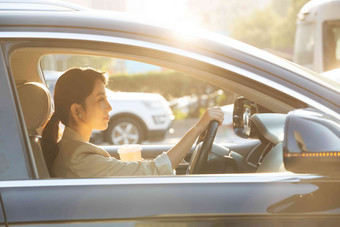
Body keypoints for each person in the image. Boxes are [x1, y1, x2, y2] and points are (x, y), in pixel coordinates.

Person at [42, 68, 224, 178]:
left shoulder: (70, 151)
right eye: (100, 100)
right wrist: (198, 127)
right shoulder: (79, 159)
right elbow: (155, 171)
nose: (109, 107)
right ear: (77, 110)